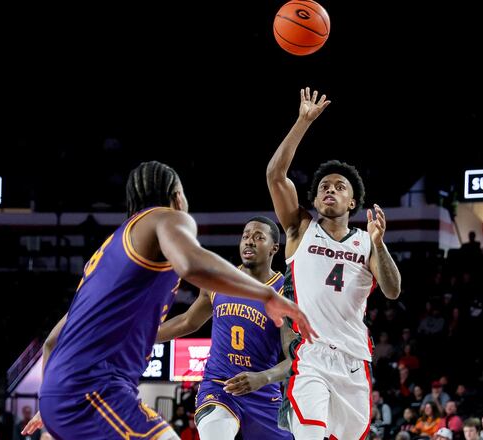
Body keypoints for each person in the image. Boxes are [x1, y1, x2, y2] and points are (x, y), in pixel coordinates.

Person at [22, 161, 315, 440]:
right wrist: (265, 294)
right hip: (96, 387)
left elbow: (51, 341)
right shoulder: (168, 217)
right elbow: (191, 266)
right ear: (177, 197)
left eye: (258, 237)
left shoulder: (111, 251)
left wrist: (49, 402)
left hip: (59, 393)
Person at [267, 87, 402, 440]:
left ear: (352, 201)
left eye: (340, 187)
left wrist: (379, 244)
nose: (330, 190)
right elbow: (275, 176)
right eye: (324, 186)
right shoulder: (300, 228)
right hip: (311, 356)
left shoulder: (366, 241)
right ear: (314, 199)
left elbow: (392, 290)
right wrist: (302, 122)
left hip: (353, 360)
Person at [155, 217, 294, 439]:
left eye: (259, 237)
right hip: (219, 386)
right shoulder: (218, 281)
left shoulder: (283, 293)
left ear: (274, 248)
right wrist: (140, 338)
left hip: (263, 392)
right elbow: (187, 321)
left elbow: (295, 359)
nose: (249, 241)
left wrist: (264, 378)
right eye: (246, 236)